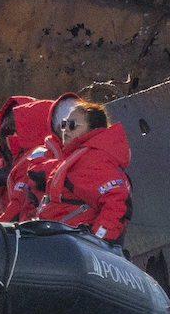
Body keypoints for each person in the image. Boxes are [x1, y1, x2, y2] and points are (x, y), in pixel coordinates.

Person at [35, 95, 131, 247]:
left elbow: (117, 202)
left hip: (76, 244)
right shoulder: (77, 156)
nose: (66, 129)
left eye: (72, 125)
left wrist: (98, 240)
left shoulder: (96, 158)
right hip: (59, 239)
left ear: (92, 129)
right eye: (64, 124)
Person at [0, 94, 55, 222]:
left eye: (15, 129)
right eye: (6, 131)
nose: (9, 137)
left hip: (15, 235)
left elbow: (17, 213)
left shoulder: (36, 160)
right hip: (3, 234)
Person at [0, 95, 71, 222]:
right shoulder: (50, 153)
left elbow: (18, 205)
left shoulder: (32, 158)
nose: (12, 136)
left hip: (31, 229)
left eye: (16, 130)